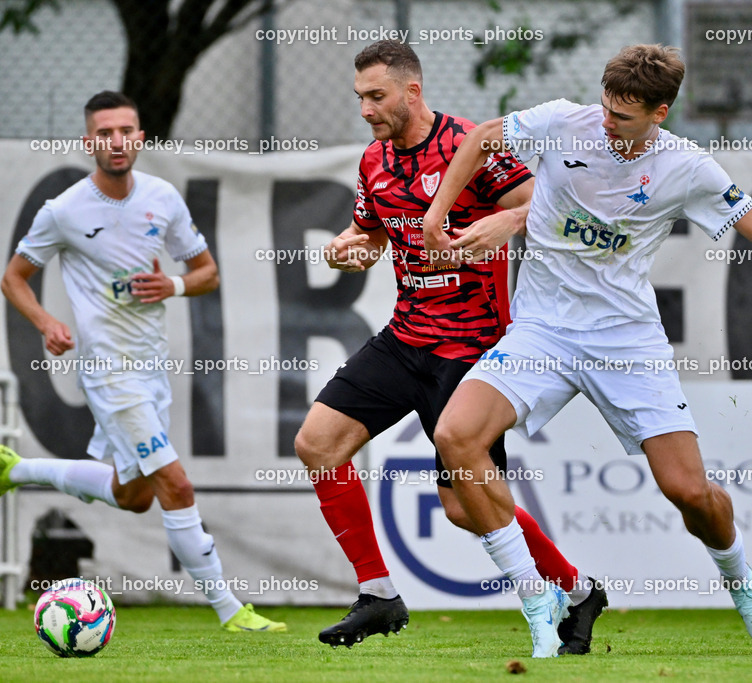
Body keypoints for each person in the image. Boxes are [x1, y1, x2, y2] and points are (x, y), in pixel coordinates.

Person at [422, 44, 752, 657]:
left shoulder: (687, 168)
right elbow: (481, 139)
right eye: (606, 105)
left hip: (626, 341)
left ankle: (740, 579)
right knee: (456, 436)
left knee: (688, 492)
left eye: (624, 115)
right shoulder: (562, 121)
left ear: (660, 113)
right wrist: (433, 219)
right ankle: (536, 599)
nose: (607, 121)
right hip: (542, 332)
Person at [293, 40, 605, 654]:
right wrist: (347, 247)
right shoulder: (374, 161)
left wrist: (499, 229)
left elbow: (539, 205)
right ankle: (378, 594)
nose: (366, 110)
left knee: (467, 509)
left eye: (376, 96)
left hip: (471, 351)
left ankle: (576, 589)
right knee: (316, 444)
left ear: (413, 91)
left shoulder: (472, 146)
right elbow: (373, 235)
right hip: (404, 337)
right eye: (359, 98)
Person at [0, 91, 285, 633]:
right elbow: (14, 278)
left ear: (140, 138)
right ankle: (230, 611)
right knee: (176, 485)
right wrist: (48, 324)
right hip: (109, 371)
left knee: (134, 496)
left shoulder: (162, 198)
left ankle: (16, 470)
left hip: (152, 369)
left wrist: (171, 284)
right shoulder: (62, 211)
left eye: (125, 130)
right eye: (104, 133)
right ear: (89, 143)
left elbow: (208, 273)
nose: (116, 141)